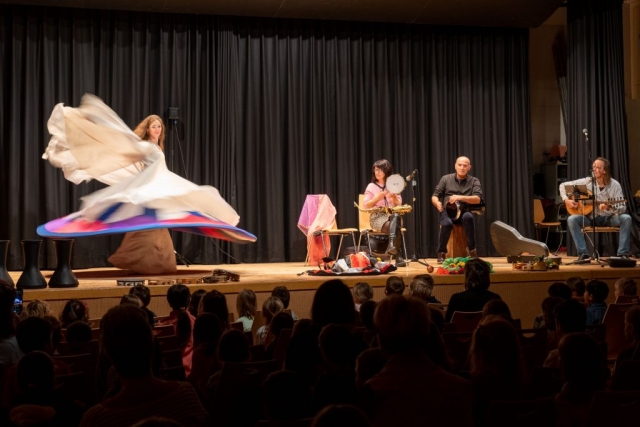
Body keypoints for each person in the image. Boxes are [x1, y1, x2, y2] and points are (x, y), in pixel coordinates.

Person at [40, 95, 255, 271]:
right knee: (152, 227)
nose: (158, 129)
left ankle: (147, 262)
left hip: (158, 188)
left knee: (159, 225)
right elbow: (124, 146)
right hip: (149, 190)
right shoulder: (144, 147)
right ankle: (145, 262)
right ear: (148, 129)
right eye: (154, 126)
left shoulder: (157, 148)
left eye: (159, 126)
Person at [559, 157, 632, 261]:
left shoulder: (615, 185)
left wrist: (610, 207)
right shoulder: (587, 182)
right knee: (572, 219)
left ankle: (622, 254)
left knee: (626, 218)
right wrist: (566, 200)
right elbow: (563, 185)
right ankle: (583, 254)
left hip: (609, 218)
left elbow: (623, 208)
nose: (594, 169)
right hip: (590, 218)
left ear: (604, 170)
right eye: (593, 167)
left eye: (598, 167)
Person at [431, 156, 483, 263]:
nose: (462, 167)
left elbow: (477, 199)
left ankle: (472, 250)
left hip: (464, 211)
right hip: (448, 211)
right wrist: (437, 203)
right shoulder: (446, 179)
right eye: (460, 165)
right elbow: (435, 195)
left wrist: (459, 197)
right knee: (447, 224)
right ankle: (441, 252)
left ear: (469, 167)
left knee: (468, 217)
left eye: (465, 165)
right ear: (455, 166)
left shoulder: (474, 181)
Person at [363, 159, 404, 258]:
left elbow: (399, 203)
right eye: (375, 170)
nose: (376, 172)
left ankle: (392, 246)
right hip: (377, 217)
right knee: (396, 225)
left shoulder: (392, 185)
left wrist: (394, 197)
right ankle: (398, 256)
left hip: (392, 215)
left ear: (386, 171)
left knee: (396, 218)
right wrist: (377, 198)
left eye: (379, 170)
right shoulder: (371, 186)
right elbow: (366, 205)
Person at [445, 258, 501, 323]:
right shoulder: (494, 299)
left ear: (467, 277)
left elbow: (447, 325)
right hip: (487, 330)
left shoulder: (456, 299)